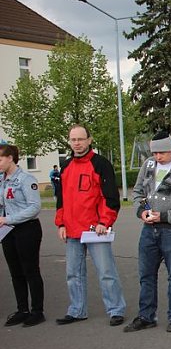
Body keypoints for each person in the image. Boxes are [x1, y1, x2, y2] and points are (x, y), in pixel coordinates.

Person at [125, 131, 171, 333]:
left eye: (161, 153)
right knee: (146, 275)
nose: (158, 157)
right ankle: (146, 316)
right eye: (155, 153)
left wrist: (166, 216)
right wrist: (142, 211)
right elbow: (138, 192)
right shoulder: (148, 165)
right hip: (149, 228)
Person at [54, 125, 126, 327]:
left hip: (96, 230)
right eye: (73, 139)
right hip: (72, 229)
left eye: (80, 139)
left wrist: (105, 221)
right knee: (73, 274)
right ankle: (77, 310)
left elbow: (110, 197)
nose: (77, 143)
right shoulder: (66, 166)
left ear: (89, 140)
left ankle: (115, 310)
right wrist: (61, 223)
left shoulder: (101, 164)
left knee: (106, 272)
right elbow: (61, 199)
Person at [0, 143, 45, 327]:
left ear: (10, 158)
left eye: (0, 158)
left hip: (27, 229)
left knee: (30, 270)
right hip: (7, 230)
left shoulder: (26, 179)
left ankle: (37, 311)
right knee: (15, 272)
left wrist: (9, 218)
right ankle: (22, 309)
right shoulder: (2, 180)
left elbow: (34, 207)